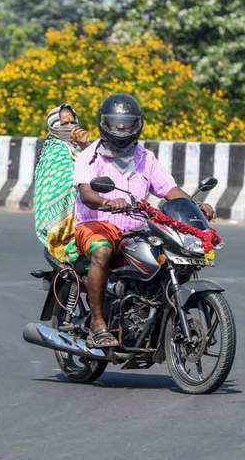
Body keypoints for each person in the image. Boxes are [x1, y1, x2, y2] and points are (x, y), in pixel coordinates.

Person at [74, 94, 214, 349]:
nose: (121, 130)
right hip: (97, 225)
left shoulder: (145, 158)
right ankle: (97, 324)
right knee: (103, 250)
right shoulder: (90, 156)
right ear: (104, 124)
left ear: (137, 125)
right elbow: (87, 193)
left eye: (127, 124)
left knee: (168, 256)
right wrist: (108, 202)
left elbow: (170, 190)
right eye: (116, 124)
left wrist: (195, 207)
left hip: (137, 229)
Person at [33, 103, 91, 262]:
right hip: (65, 220)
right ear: (54, 126)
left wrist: (86, 146)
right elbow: (64, 182)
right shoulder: (54, 150)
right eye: (64, 124)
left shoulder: (80, 147)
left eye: (73, 122)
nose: (70, 126)